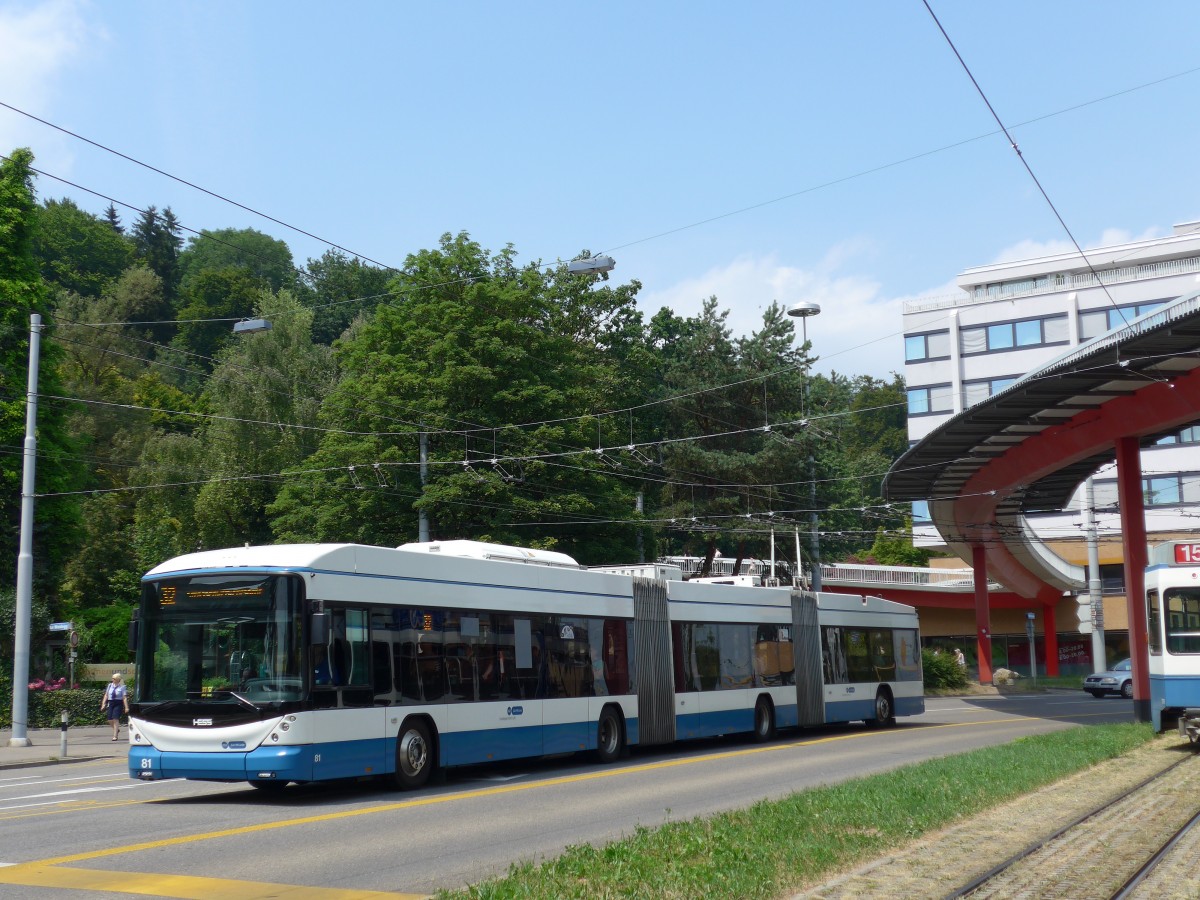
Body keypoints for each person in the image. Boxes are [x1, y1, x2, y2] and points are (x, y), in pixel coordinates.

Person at [100, 673, 129, 741]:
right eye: (112, 678)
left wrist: (126, 707)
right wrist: (103, 704)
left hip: (118, 703)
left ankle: (115, 736)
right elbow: (106, 695)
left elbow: (124, 698)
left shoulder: (122, 686)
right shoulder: (110, 685)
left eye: (114, 678)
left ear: (118, 679)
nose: (112, 679)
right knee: (110, 719)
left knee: (115, 719)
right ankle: (116, 729)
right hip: (111, 702)